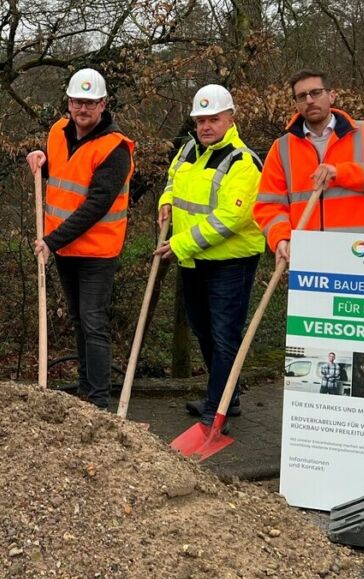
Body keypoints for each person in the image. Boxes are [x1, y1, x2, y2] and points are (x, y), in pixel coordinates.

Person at [155, 84, 264, 428]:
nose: (205, 126)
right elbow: (173, 180)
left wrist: (180, 244)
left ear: (230, 118)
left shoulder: (243, 162)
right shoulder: (188, 149)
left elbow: (230, 219)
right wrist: (165, 202)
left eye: (213, 119)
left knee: (224, 335)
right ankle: (226, 397)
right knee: (202, 329)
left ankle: (215, 410)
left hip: (230, 262)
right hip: (193, 260)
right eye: (200, 120)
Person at [26, 68, 134, 409]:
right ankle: (85, 391)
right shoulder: (58, 130)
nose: (82, 109)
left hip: (96, 251)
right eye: (76, 102)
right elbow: (61, 174)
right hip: (64, 247)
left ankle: (99, 401)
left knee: (93, 321)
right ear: (68, 103)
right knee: (78, 319)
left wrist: (52, 240)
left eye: (89, 103)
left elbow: (95, 207)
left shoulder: (115, 149)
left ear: (103, 104)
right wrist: (39, 160)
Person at [253, 69, 364, 261]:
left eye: (316, 92)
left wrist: (342, 173)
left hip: (360, 255)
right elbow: (268, 205)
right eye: (302, 96)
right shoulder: (282, 148)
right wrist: (281, 238)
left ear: (331, 95)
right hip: (308, 258)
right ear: (296, 103)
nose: (310, 100)